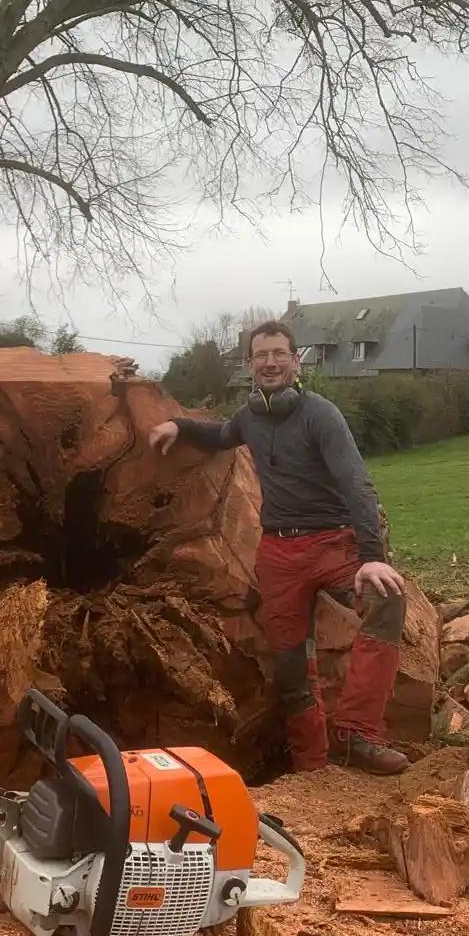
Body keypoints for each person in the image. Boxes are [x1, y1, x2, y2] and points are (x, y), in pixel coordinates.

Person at [148, 321, 408, 776]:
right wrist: (179, 425)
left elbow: (356, 482)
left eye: (279, 354)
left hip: (333, 543)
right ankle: (311, 766)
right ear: (249, 364)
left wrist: (371, 556)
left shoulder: (321, 414)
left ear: (296, 361)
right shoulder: (250, 417)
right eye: (261, 355)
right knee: (289, 665)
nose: (270, 362)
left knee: (387, 600)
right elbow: (221, 435)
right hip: (279, 553)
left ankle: (357, 733)